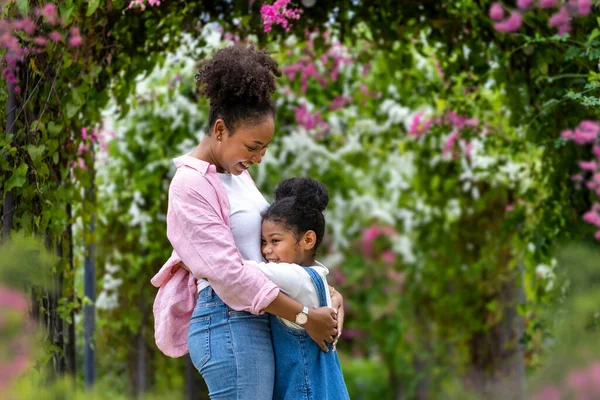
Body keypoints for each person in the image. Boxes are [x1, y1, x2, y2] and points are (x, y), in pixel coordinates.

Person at [150, 44, 343, 399]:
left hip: (258, 317)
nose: (258, 158)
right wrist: (304, 316)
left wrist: (321, 290)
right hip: (226, 322)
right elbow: (231, 274)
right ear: (220, 129)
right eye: (253, 147)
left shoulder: (237, 176)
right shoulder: (190, 185)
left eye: (265, 148)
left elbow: (269, 250)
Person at [256, 177, 350, 400]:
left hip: (303, 391)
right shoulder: (317, 275)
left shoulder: (292, 276)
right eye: (263, 242)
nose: (267, 250)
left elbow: (238, 272)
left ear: (307, 240)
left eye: (275, 241)